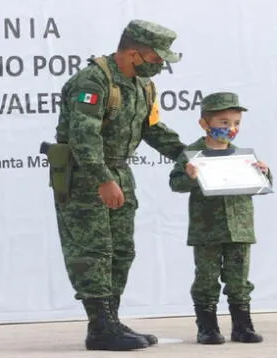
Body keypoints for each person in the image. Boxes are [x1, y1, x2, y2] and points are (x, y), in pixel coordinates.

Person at [52, 19, 186, 351]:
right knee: (92, 251)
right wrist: (103, 180)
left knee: (121, 252)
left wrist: (187, 154)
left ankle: (109, 320)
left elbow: (151, 128)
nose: (159, 66)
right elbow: (84, 137)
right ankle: (100, 326)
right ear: (134, 52)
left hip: (119, 174)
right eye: (155, 59)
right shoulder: (94, 80)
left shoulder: (142, 85)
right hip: (86, 176)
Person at [168, 92, 273, 345]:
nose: (231, 128)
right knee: (206, 277)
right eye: (224, 122)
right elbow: (175, 182)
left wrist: (265, 172)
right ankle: (207, 327)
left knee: (239, 278)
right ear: (205, 124)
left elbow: (261, 186)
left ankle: (242, 326)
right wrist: (189, 176)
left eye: (236, 122)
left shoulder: (242, 156)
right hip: (207, 230)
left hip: (240, 228)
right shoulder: (192, 154)